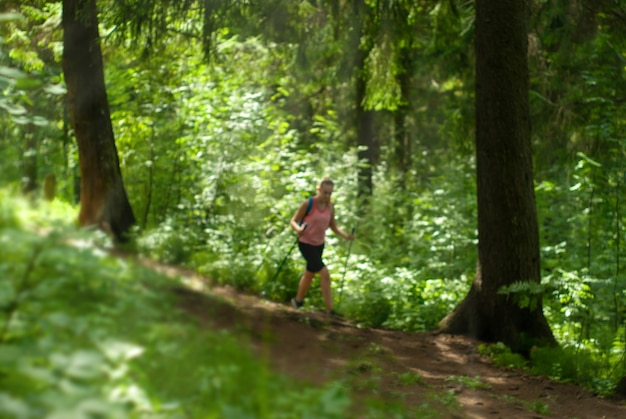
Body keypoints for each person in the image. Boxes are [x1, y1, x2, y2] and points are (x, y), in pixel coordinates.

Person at [290, 177, 355, 316]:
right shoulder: (308, 203)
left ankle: (297, 301)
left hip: (319, 244)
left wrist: (347, 236)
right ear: (318, 189)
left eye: (329, 193)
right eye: (324, 192)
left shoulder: (330, 206)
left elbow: (333, 226)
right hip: (305, 243)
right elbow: (293, 221)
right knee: (324, 273)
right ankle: (330, 310)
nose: (327, 196)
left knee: (310, 273)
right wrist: (298, 229)